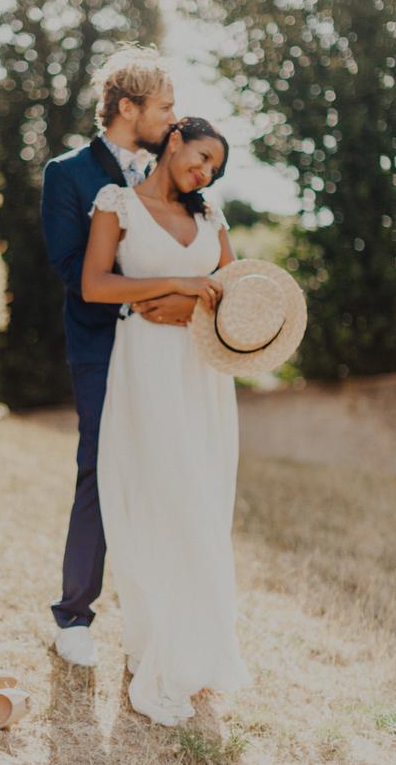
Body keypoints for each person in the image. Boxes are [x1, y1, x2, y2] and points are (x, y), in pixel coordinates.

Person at [81, 117, 252, 726]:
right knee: (160, 496)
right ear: (174, 140)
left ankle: (198, 647)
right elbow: (95, 284)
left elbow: (238, 289)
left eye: (215, 168)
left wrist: (189, 303)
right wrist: (177, 280)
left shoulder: (212, 219)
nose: (205, 173)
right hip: (147, 367)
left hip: (203, 371)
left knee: (201, 499)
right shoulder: (117, 203)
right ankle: (159, 641)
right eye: (202, 156)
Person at [41, 44, 193, 668]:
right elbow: (73, 269)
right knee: (99, 473)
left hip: (169, 349)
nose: (174, 119)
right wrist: (157, 291)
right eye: (164, 106)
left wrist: (186, 302)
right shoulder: (69, 173)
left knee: (166, 475)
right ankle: (73, 617)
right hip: (102, 346)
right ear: (127, 107)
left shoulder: (174, 168)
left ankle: (157, 626)